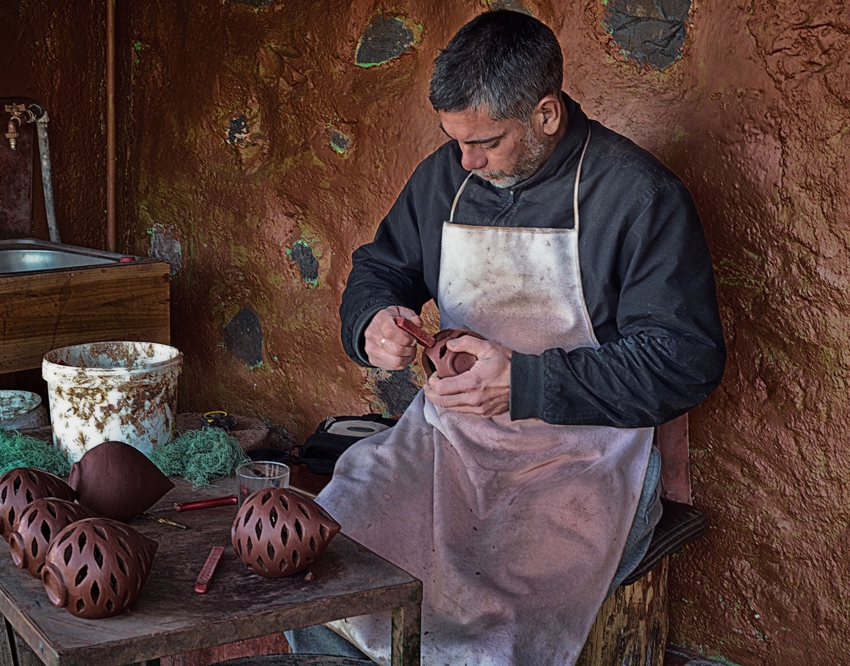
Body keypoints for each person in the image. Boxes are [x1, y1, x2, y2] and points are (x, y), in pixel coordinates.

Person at [288, 9, 726, 665]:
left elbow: (685, 362)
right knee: (326, 566)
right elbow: (381, 269)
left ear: (546, 114)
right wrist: (372, 320)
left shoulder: (637, 196)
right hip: (446, 443)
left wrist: (526, 384)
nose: (464, 160)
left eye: (485, 142)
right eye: (453, 139)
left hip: (584, 467)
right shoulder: (446, 177)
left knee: (492, 632)